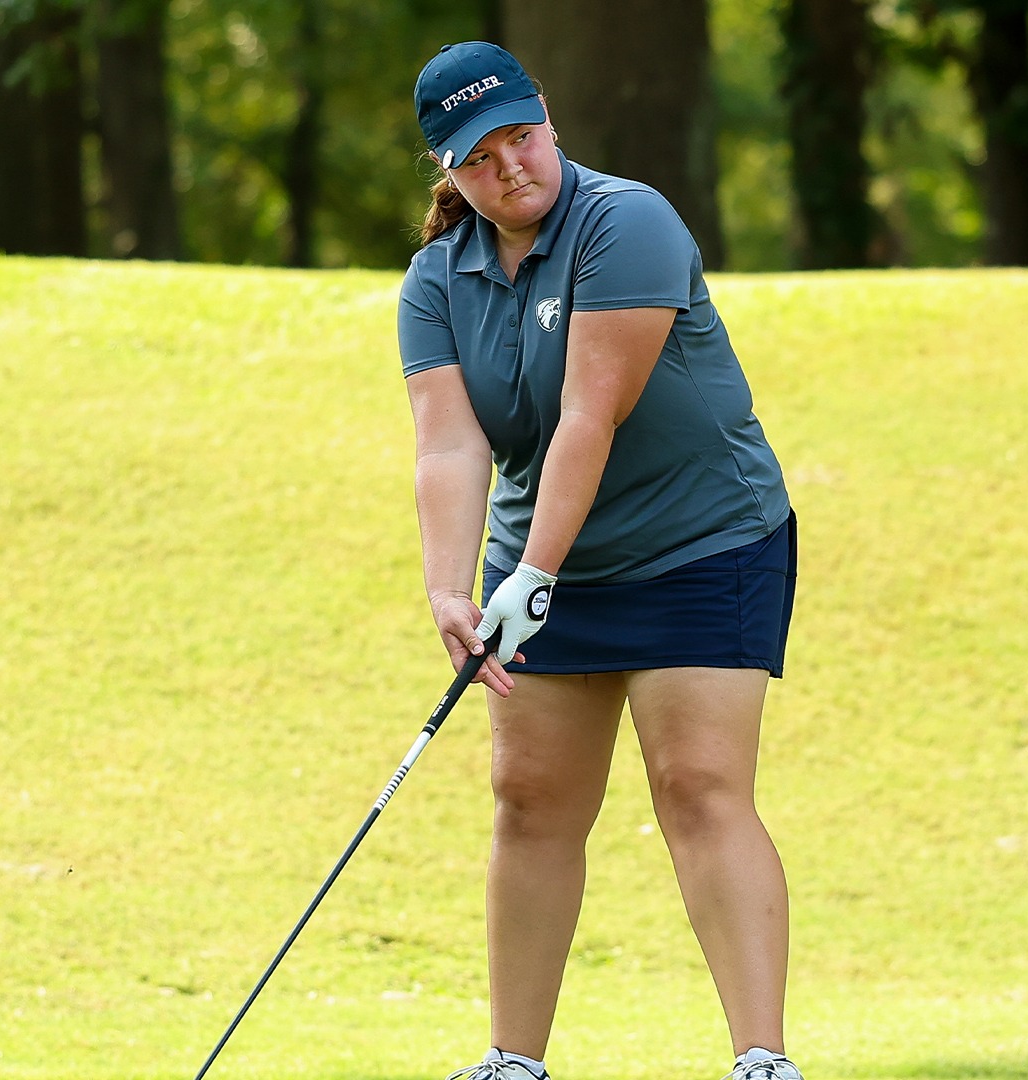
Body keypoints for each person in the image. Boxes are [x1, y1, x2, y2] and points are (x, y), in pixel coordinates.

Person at [397, 41, 803, 1080]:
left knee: (699, 783)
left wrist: (529, 576)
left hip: (704, 539)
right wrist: (453, 586)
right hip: (552, 560)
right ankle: (513, 1063)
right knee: (531, 798)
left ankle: (762, 1059)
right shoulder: (438, 280)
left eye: (520, 138)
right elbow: (450, 444)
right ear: (449, 174)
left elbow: (590, 414)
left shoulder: (628, 223)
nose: (511, 168)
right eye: (480, 160)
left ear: (550, 122)